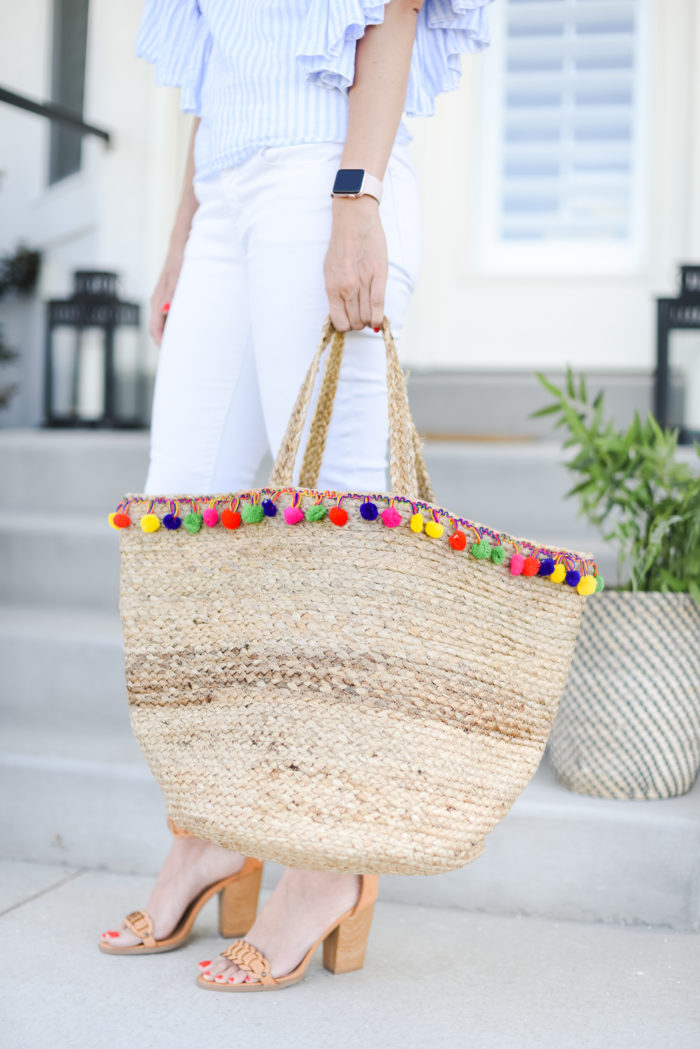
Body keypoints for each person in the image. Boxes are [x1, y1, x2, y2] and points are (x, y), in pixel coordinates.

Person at [99, 0, 492, 990]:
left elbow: (389, 14)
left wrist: (355, 198)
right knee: (184, 539)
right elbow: (217, 73)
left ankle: (325, 865)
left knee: (333, 542)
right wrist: (184, 237)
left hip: (324, 171)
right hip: (226, 193)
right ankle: (209, 831)